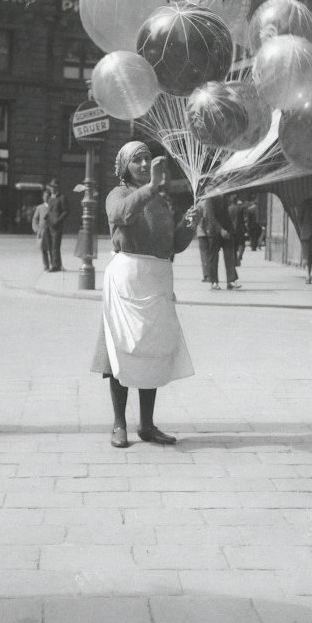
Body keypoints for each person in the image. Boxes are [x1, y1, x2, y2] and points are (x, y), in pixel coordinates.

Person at [89, 142, 199, 448]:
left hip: (156, 281)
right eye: (136, 160)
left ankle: (147, 425)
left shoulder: (161, 202)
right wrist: (151, 186)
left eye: (146, 158)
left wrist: (190, 225)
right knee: (121, 351)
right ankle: (118, 424)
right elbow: (120, 214)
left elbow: (173, 244)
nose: (143, 163)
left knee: (152, 352)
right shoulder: (119, 194)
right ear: (124, 167)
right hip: (128, 282)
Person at [203, 193, 240, 291]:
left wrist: (230, 230)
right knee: (214, 258)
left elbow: (226, 216)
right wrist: (221, 230)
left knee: (229, 256)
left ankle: (231, 281)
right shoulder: (210, 198)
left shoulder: (224, 197)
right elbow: (211, 216)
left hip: (226, 231)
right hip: (214, 232)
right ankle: (214, 282)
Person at [46, 179, 69, 271]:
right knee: (51, 245)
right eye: (51, 187)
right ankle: (56, 264)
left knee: (55, 246)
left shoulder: (62, 197)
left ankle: (55, 266)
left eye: (54, 187)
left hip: (57, 226)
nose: (52, 189)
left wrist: (57, 221)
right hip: (49, 225)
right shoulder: (50, 198)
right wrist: (46, 218)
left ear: (57, 188)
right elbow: (49, 211)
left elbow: (66, 211)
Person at [31, 188, 53, 271]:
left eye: (48, 196)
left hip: (51, 231)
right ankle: (46, 265)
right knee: (43, 249)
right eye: (44, 196)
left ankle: (53, 264)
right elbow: (35, 219)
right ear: (43, 197)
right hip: (42, 231)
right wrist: (36, 229)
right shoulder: (39, 207)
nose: (46, 198)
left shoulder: (52, 207)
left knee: (51, 249)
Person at [194, 198, 210, 283]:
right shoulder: (211, 200)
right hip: (211, 231)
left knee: (204, 255)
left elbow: (199, 218)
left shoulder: (200, 203)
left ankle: (207, 275)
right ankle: (212, 274)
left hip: (201, 232)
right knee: (211, 254)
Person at [229, 193, 247, 266]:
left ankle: (235, 260)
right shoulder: (240, 208)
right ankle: (240, 256)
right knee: (242, 244)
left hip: (231, 230)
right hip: (240, 229)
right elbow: (243, 219)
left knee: (233, 246)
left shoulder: (228, 209)